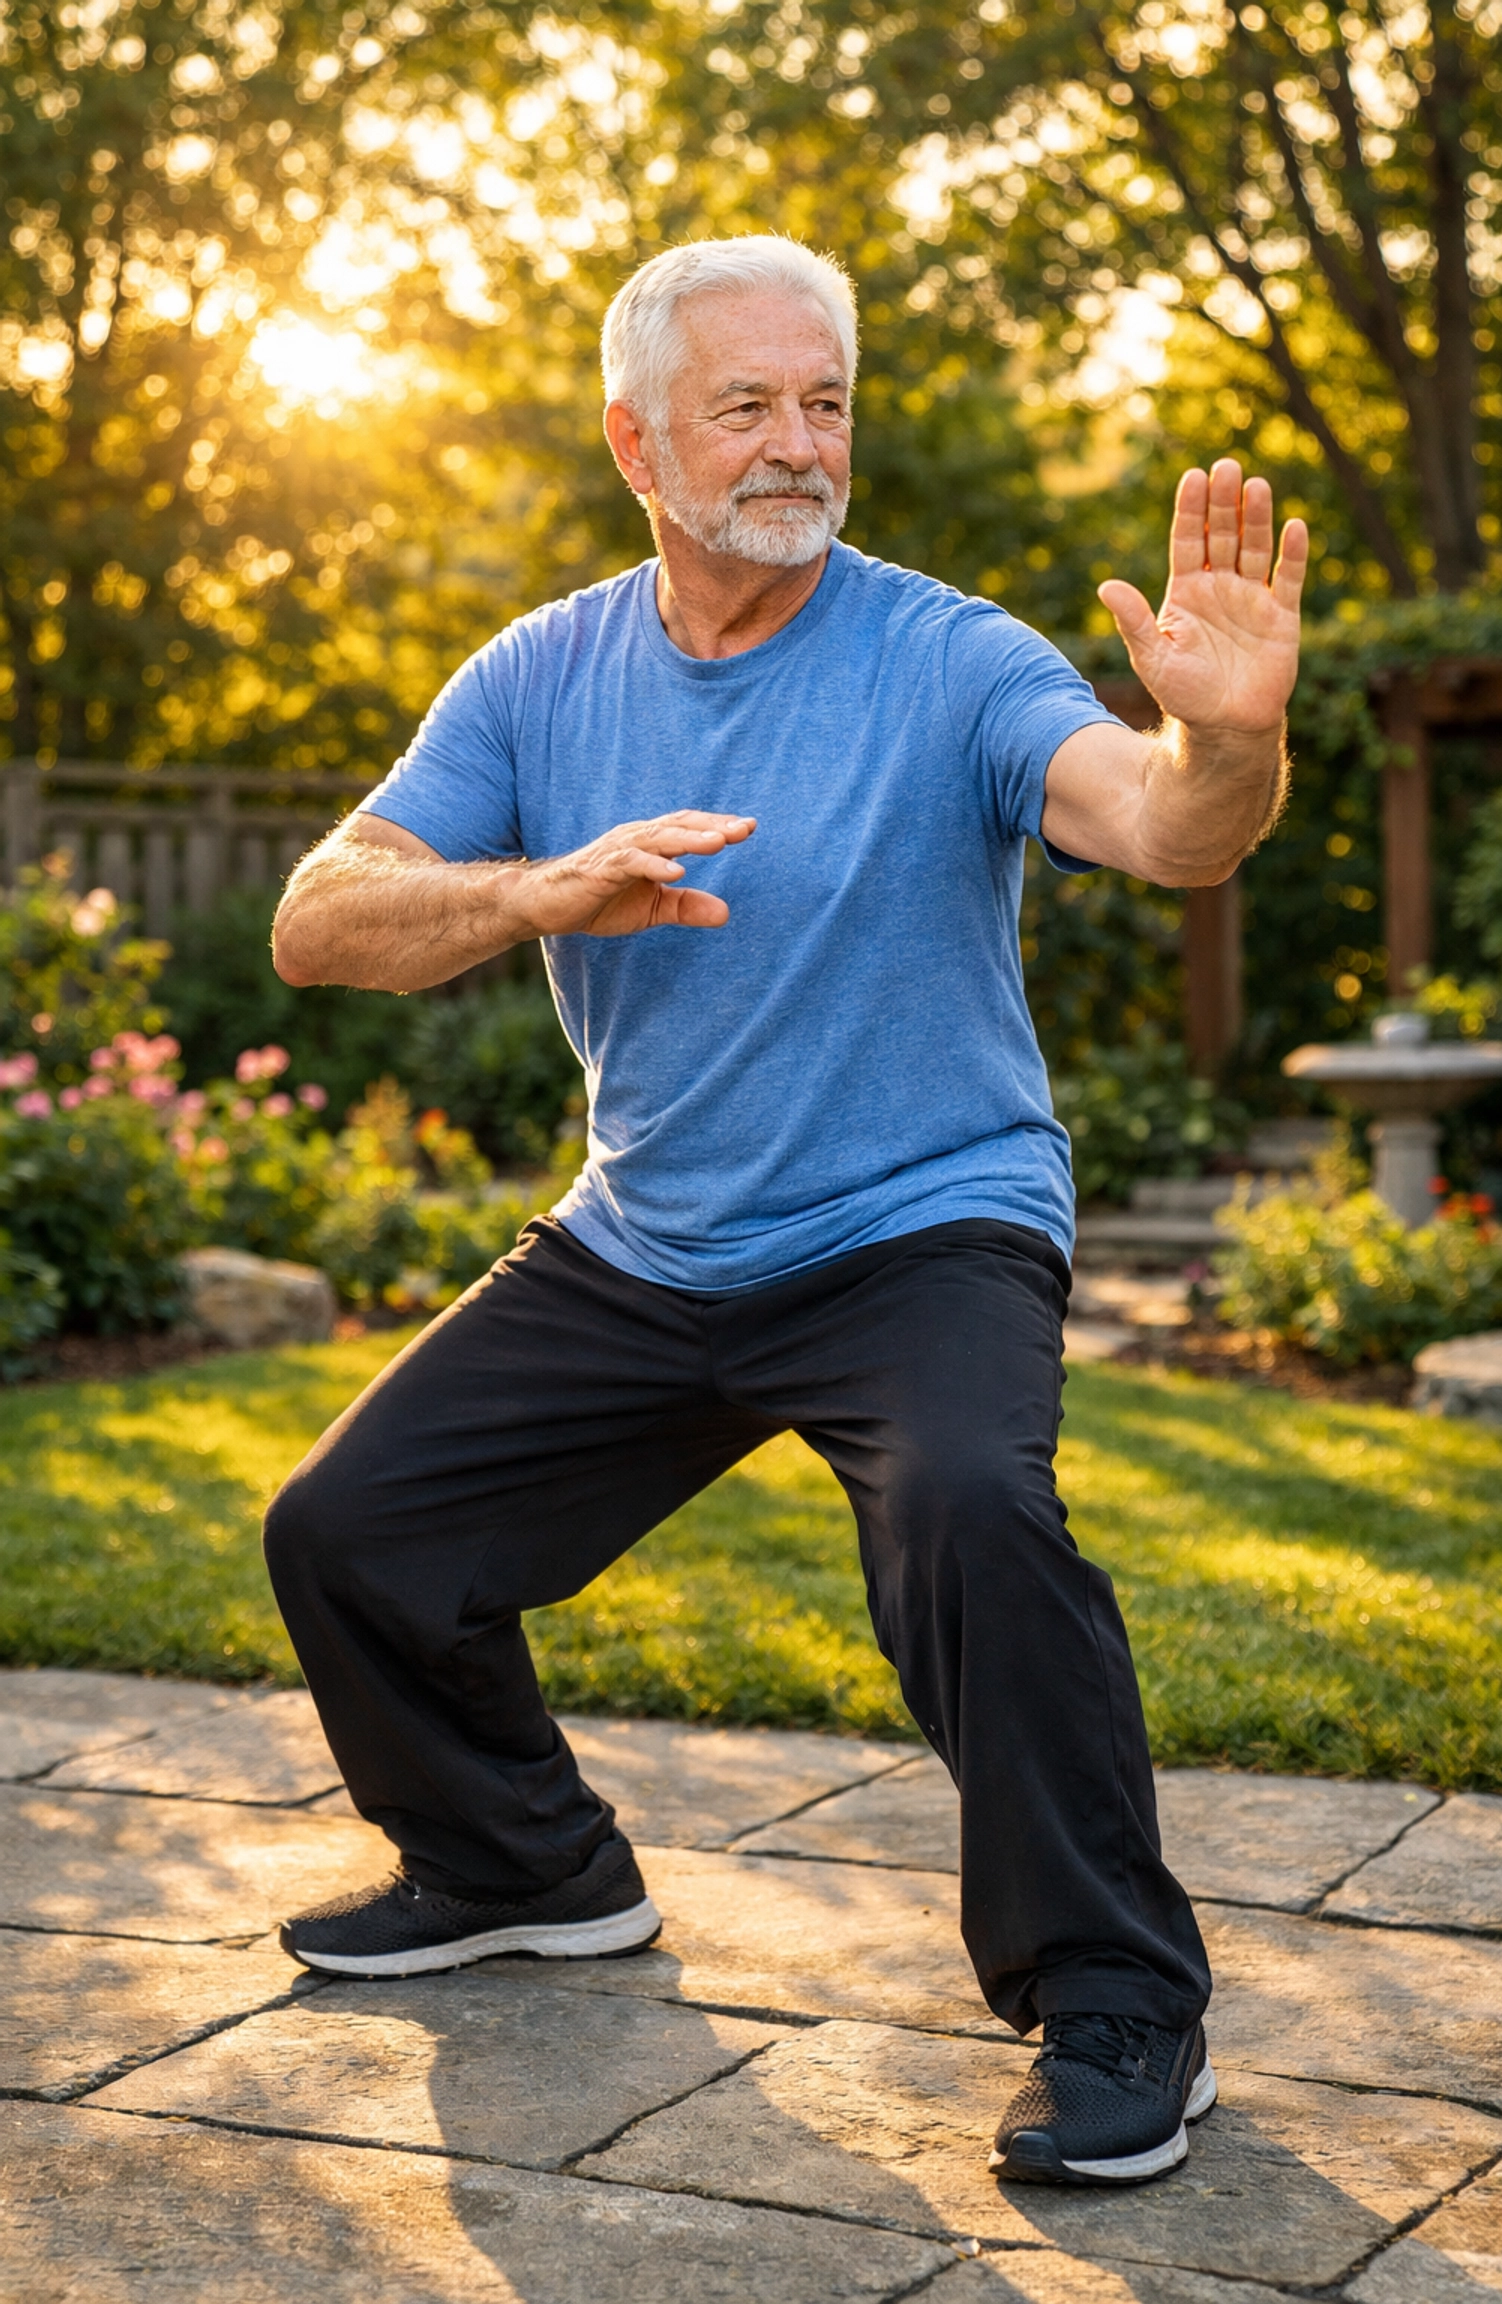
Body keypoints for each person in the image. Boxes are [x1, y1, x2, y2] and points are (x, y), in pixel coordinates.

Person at [264, 235, 1307, 2188]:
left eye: (823, 401)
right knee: (348, 1532)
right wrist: (530, 890)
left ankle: (1117, 2003)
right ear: (635, 439)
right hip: (651, 1238)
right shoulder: (542, 672)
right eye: (746, 404)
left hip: (924, 1221)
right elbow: (318, 919)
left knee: (973, 1513)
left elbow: (1158, 826)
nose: (796, 444)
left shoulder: (948, 655)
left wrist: (1226, 735)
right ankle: (524, 1866)